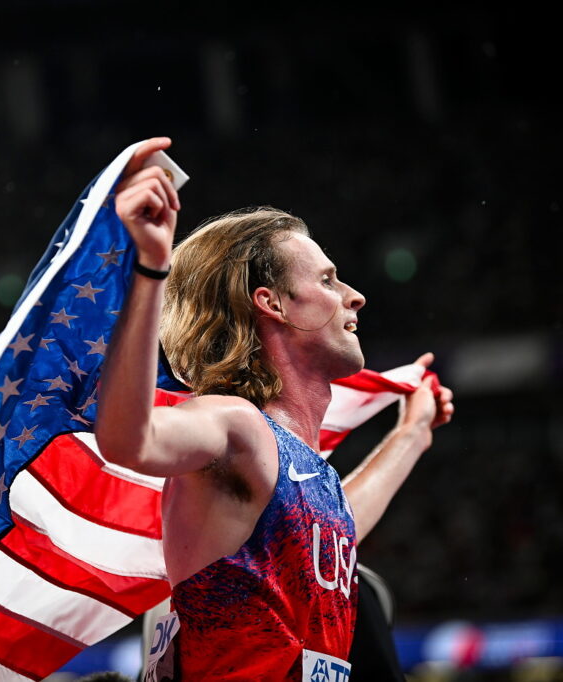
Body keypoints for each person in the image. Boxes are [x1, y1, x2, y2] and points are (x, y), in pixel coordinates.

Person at [95, 137, 454, 681]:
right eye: (328, 280)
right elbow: (129, 438)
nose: (354, 296)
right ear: (272, 303)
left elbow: (330, 532)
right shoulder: (235, 424)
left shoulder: (300, 466)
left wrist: (413, 432)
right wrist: (149, 268)